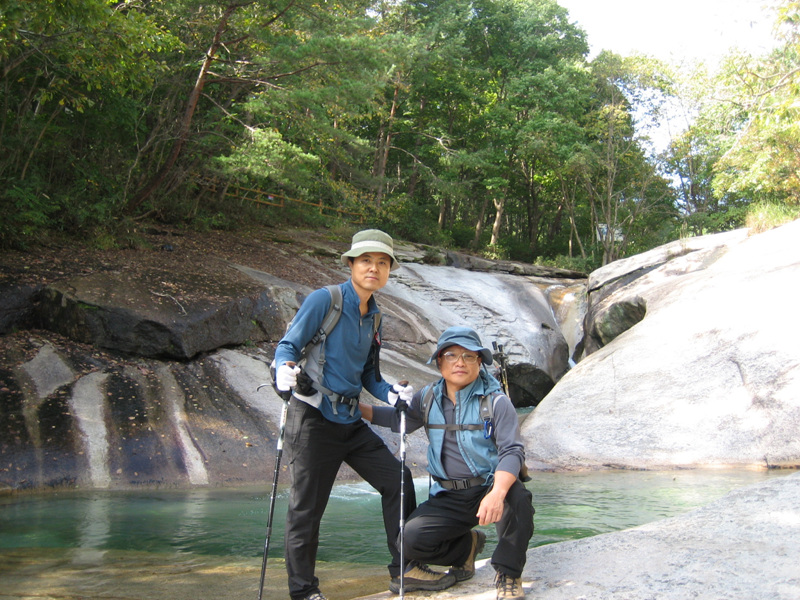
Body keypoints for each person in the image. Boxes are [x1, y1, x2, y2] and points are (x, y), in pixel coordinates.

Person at [273, 229, 455, 600]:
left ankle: (404, 568)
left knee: (399, 480)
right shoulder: (325, 300)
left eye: (383, 262)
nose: (375, 268)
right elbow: (287, 346)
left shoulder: (374, 316)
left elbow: (369, 375)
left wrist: (391, 392)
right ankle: (304, 591)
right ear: (352, 264)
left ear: (389, 271)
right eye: (367, 261)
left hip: (350, 421)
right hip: (312, 418)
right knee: (307, 509)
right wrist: (282, 369)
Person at [361, 326, 534, 599]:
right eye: (451, 355)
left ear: (480, 362)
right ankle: (466, 548)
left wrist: (498, 494)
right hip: (449, 495)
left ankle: (509, 574)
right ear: (439, 362)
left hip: (489, 486)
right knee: (408, 540)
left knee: (518, 500)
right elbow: (399, 420)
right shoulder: (428, 397)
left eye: (468, 356)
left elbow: (512, 450)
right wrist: (355, 409)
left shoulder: (496, 402)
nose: (460, 362)